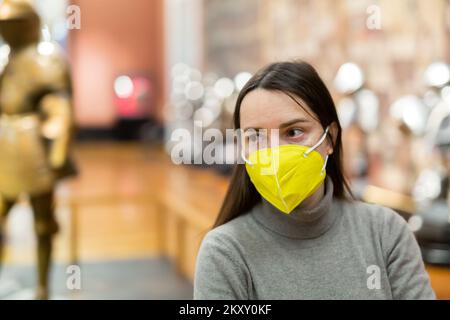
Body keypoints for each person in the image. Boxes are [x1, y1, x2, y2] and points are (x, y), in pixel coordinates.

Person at [194, 61, 435, 299]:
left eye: (293, 132)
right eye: (255, 136)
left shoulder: (385, 233)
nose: (275, 151)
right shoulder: (225, 253)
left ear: (329, 139)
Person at [0, 0, 76, 300]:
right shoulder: (11, 59)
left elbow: (61, 110)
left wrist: (58, 154)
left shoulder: (46, 59)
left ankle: (43, 287)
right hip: (7, 145)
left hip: (34, 150)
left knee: (43, 224)